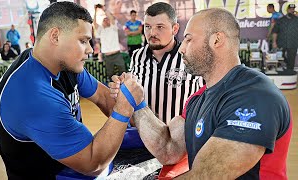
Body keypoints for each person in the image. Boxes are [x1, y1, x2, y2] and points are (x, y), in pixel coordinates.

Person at [110, 8, 292, 179]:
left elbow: (204, 176)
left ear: (216, 40)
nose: (182, 48)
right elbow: (168, 149)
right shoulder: (196, 100)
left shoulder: (253, 95)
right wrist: (138, 103)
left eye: (189, 39)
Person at [0, 2, 143, 179]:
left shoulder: (60, 63)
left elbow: (103, 96)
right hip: (50, 173)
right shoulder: (32, 95)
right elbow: (93, 164)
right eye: (83, 41)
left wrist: (144, 124)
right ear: (55, 36)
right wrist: (124, 107)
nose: (90, 49)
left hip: (67, 158)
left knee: (141, 140)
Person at [129, 2, 204, 124]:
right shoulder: (137, 56)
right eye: (148, 26)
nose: (152, 33)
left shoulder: (191, 56)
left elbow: (207, 96)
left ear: (175, 29)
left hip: (180, 138)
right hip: (144, 136)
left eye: (160, 27)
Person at [93, 4, 127, 82]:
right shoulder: (100, 30)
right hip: (107, 56)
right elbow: (94, 23)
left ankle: (125, 87)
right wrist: (95, 11)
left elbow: (111, 18)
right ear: (102, 23)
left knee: (123, 71)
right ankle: (113, 89)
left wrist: (104, 9)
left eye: (107, 19)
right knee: (110, 74)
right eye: (104, 20)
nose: (106, 20)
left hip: (117, 54)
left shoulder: (113, 28)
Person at [272, 4, 298, 72]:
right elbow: (275, 31)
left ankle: (290, 72)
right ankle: (280, 70)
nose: (292, 11)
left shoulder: (297, 20)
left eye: (293, 9)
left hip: (293, 43)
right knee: (280, 57)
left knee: (291, 59)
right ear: (287, 10)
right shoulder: (281, 20)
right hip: (281, 43)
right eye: (290, 9)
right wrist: (274, 42)